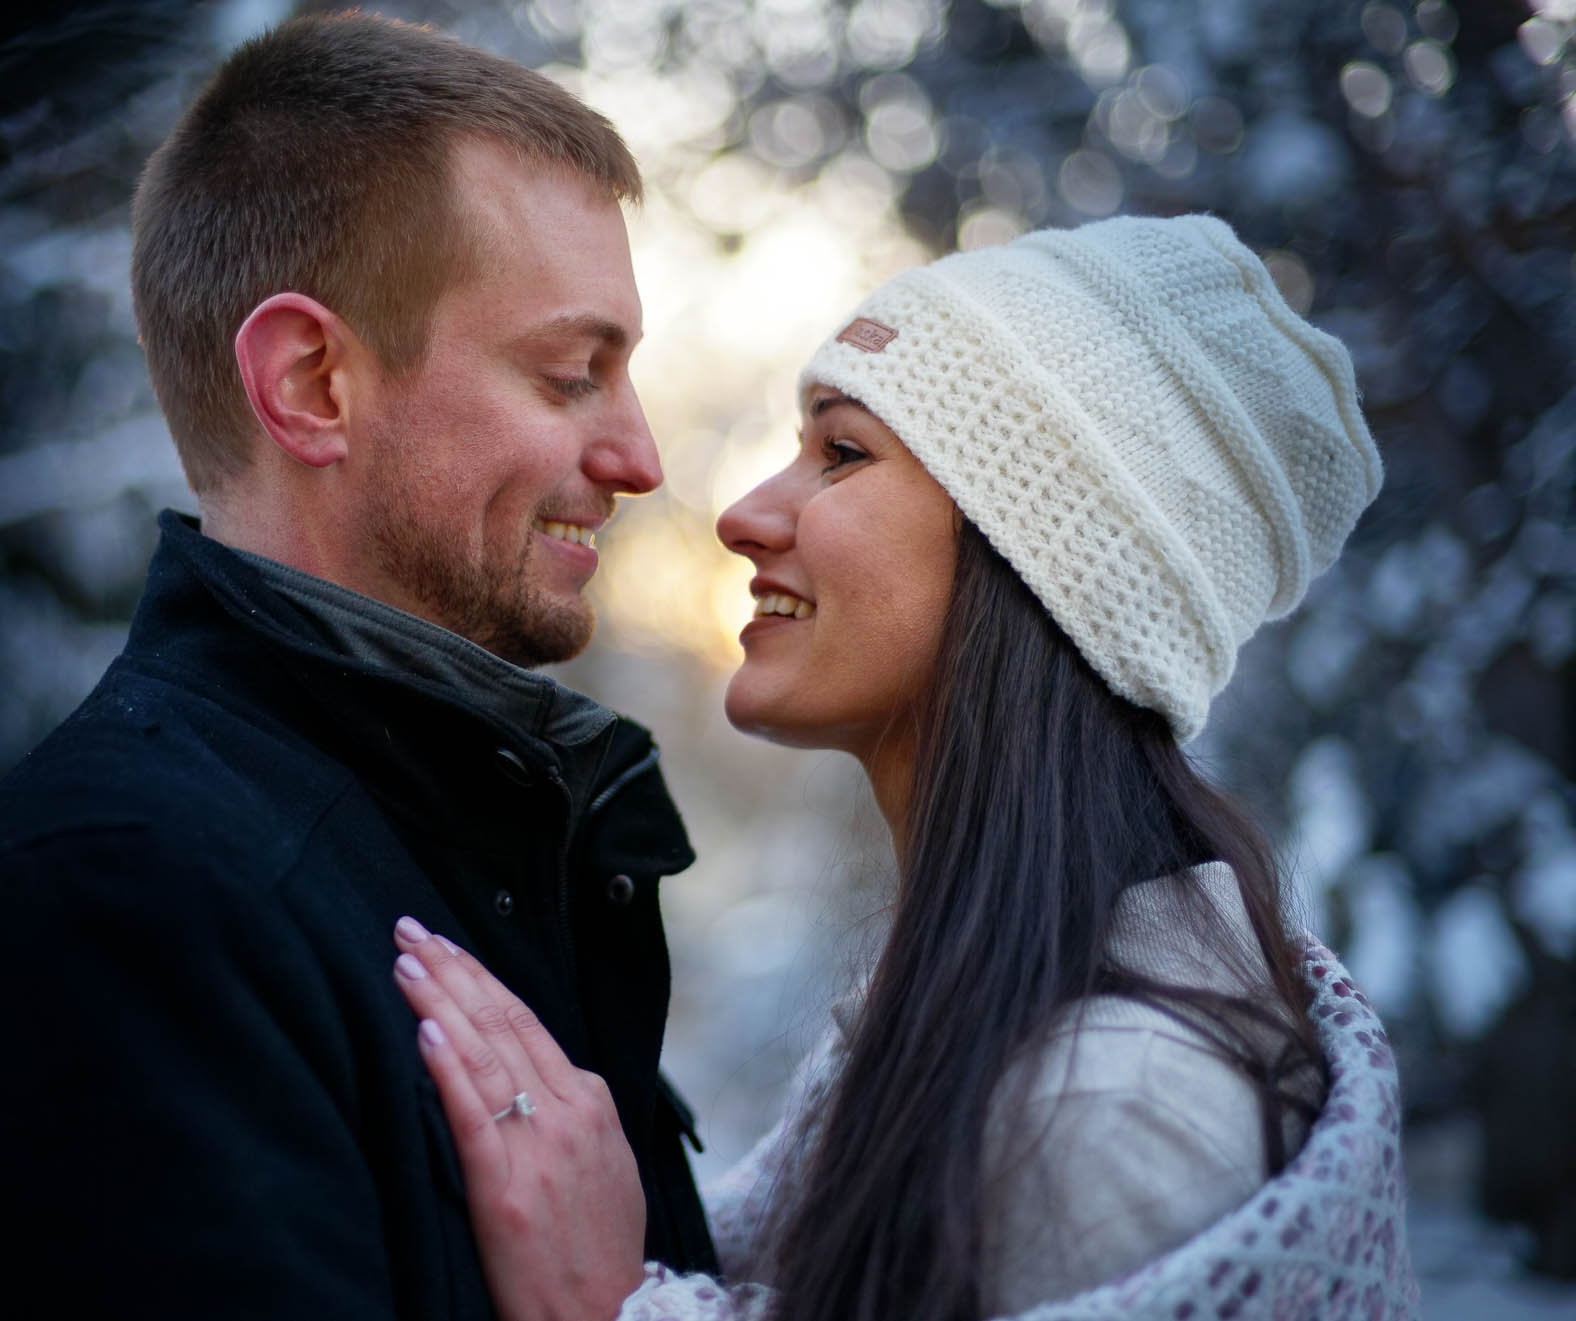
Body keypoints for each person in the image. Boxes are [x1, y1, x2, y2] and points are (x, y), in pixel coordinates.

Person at [0, 13, 719, 1317]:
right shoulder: (122, 912)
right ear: (313, 384)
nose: (640, 455)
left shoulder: (446, 849)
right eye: (571, 373)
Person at [389, 215, 1418, 1319]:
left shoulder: (1112, 1112)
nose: (741, 516)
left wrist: (603, 1305)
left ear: (1035, 563)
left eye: (840, 453)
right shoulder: (973, 1021)